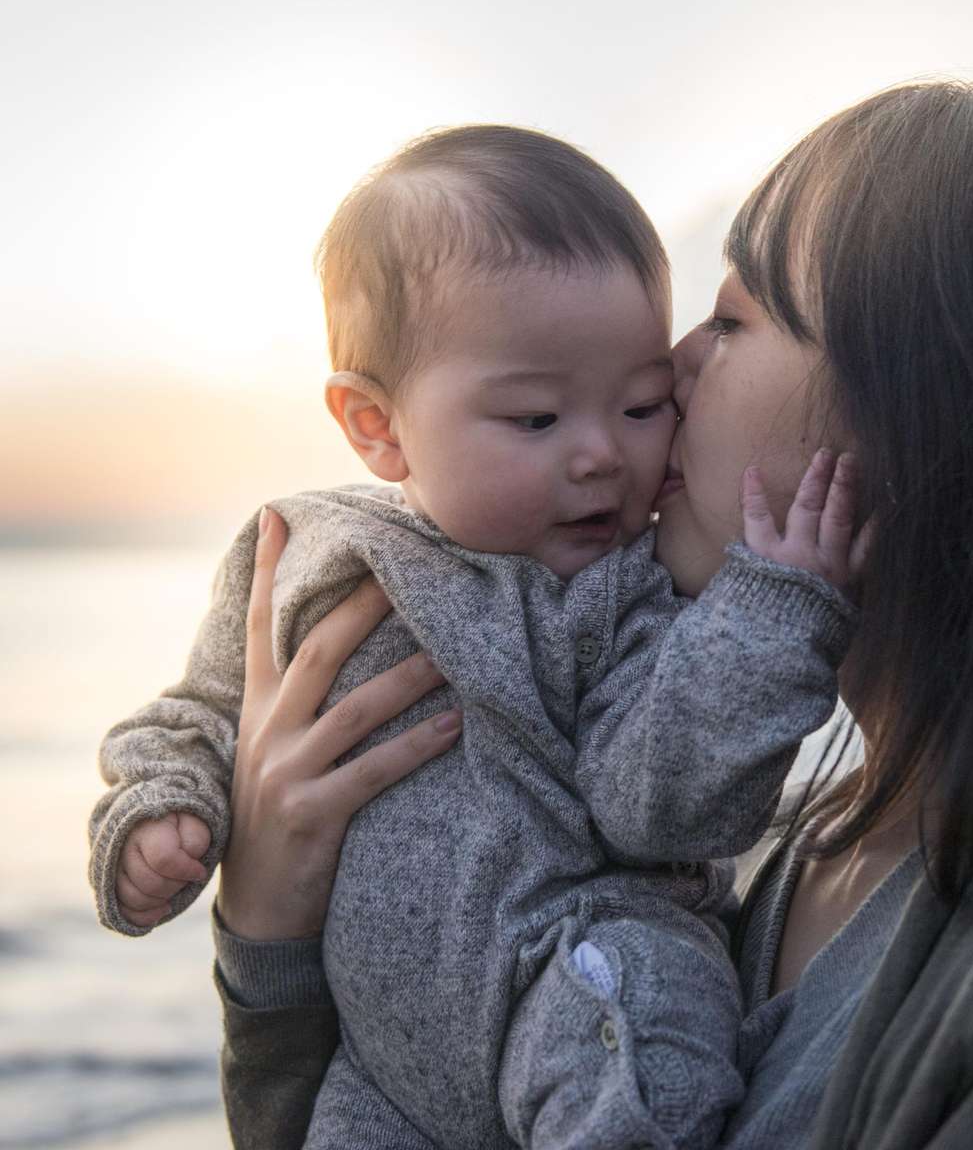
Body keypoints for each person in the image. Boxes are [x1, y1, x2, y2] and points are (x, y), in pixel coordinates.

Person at [212, 79, 973, 1149]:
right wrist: (274, 929)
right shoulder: (812, 850)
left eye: (734, 319)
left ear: (927, 404)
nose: (672, 365)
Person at [87, 126, 871, 1148]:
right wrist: (158, 814)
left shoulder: (636, 597)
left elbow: (662, 804)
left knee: (642, 1044)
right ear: (378, 427)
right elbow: (199, 715)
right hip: (380, 1062)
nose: (602, 455)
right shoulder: (309, 556)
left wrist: (767, 620)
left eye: (640, 405)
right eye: (538, 421)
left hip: (581, 968)